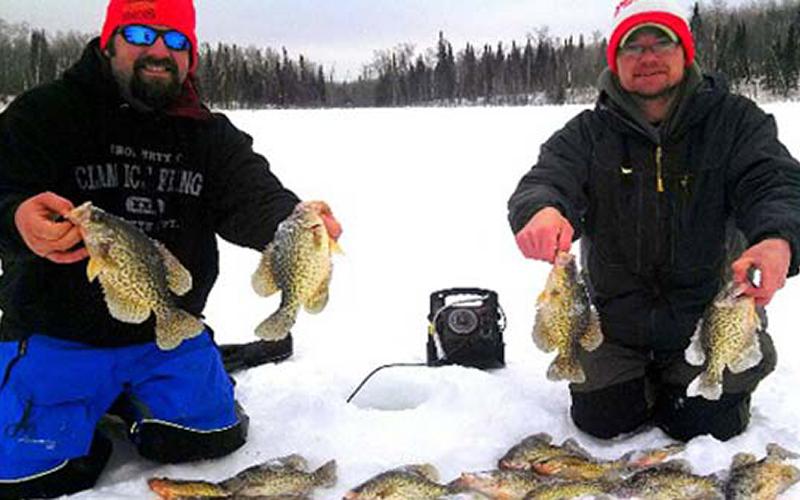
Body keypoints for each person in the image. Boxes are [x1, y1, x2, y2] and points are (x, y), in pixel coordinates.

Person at [0, 0, 340, 497]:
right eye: (141, 33)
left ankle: (145, 393)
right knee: (30, 476)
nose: (159, 51)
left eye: (177, 41)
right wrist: (16, 219)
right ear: (110, 40)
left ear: (190, 58)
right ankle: (83, 406)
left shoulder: (208, 134)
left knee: (207, 439)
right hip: (57, 333)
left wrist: (294, 224)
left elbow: (253, 196)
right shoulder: (45, 113)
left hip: (165, 330)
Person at [509, 0, 800, 443]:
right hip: (616, 325)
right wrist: (542, 210)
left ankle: (691, 379)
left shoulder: (736, 122)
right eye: (631, 46)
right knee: (604, 421)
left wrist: (778, 239)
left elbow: (776, 183)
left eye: (660, 41)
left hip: (707, 315)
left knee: (705, 426)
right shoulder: (588, 133)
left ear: (685, 50)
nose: (647, 57)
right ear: (615, 61)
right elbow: (547, 179)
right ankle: (639, 381)